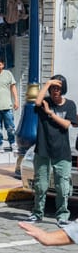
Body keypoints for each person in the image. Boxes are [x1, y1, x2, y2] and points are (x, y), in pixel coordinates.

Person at [25, 75, 77, 228]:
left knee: (63, 186)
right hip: (43, 150)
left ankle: (62, 215)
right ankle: (37, 213)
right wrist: (47, 83)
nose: (55, 91)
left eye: (58, 88)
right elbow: (37, 101)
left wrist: (50, 113)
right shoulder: (44, 103)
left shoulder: (70, 105)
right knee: (40, 184)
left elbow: (67, 124)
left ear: (63, 89)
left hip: (62, 152)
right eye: (53, 88)